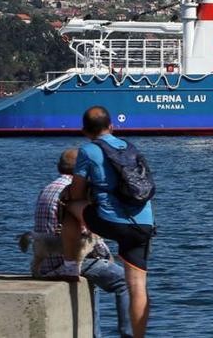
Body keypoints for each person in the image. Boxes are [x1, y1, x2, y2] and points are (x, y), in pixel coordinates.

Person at [63, 106, 156, 338]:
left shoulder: (87, 151)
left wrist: (74, 194)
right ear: (112, 127)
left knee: (69, 207)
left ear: (84, 131)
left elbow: (76, 194)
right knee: (137, 286)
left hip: (109, 220)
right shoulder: (129, 147)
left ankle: (70, 264)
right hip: (143, 222)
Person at [32, 148, 132, 338]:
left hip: (47, 260)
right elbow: (89, 237)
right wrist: (108, 257)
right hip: (70, 259)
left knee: (95, 278)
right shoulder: (77, 193)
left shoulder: (47, 189)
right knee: (126, 282)